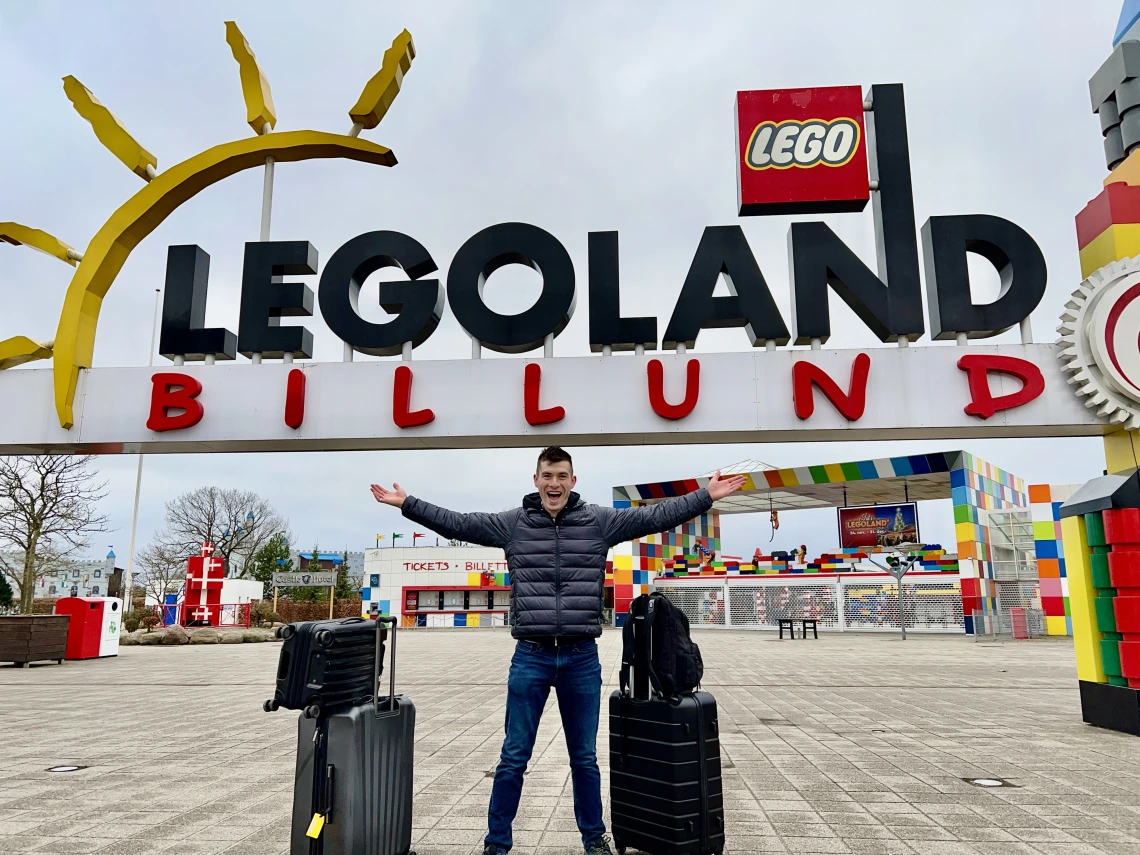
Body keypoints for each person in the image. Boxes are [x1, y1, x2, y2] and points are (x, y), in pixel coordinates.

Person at [370, 446, 745, 855]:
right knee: (513, 757)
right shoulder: (512, 524)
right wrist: (407, 504)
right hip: (530, 655)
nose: (554, 484)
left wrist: (705, 496)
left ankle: (592, 839)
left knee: (584, 758)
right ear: (535, 480)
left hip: (581, 657)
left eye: (562, 476)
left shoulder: (598, 521)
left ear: (573, 480)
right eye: (547, 476)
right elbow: (457, 523)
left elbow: (652, 517)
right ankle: (497, 844)